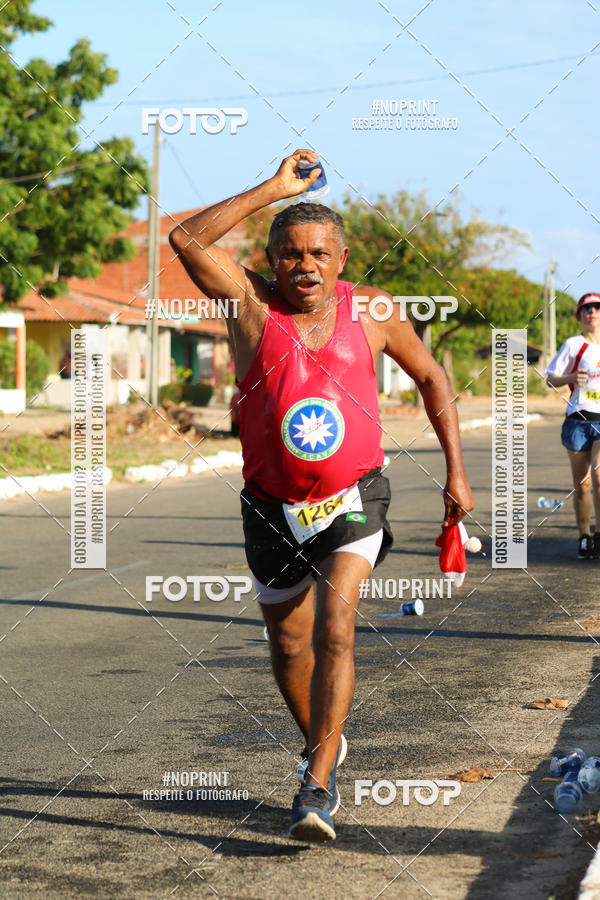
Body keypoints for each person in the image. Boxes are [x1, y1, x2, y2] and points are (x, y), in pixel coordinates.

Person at [169, 149, 474, 842]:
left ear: (340, 259)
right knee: (288, 647)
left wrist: (456, 472)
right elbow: (185, 239)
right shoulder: (247, 303)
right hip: (270, 504)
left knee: (337, 626)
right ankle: (322, 744)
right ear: (271, 259)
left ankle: (317, 784)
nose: (303, 266)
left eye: (317, 253)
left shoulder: (371, 310)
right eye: (289, 254)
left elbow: (432, 380)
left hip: (353, 497)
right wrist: (275, 188)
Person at [546, 292, 600, 559]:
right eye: (586, 309)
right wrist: (571, 376)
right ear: (579, 316)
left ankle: (599, 535)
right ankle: (584, 536)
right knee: (583, 484)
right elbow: (550, 379)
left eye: (597, 307)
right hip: (578, 420)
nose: (592, 312)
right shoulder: (573, 345)